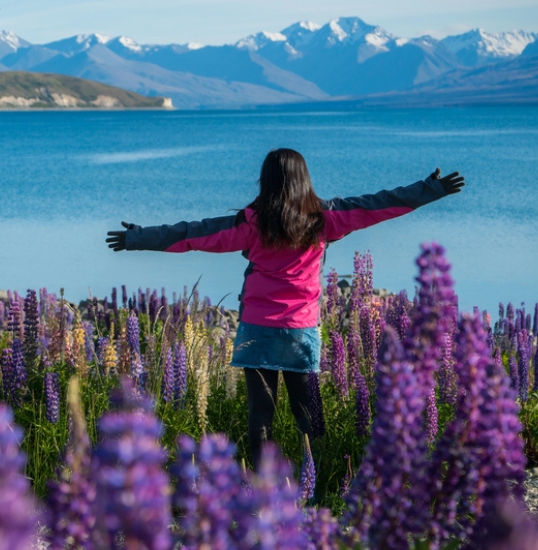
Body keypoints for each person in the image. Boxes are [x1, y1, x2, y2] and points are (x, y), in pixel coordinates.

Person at [105, 148, 464, 471]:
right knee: (308, 409)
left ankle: (262, 484)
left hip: (256, 328)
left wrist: (139, 237)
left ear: (266, 181)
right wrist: (431, 189)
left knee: (261, 413)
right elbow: (380, 205)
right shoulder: (326, 218)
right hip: (301, 330)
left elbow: (193, 235)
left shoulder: (251, 222)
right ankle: (322, 469)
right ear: (304, 180)